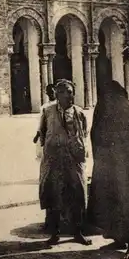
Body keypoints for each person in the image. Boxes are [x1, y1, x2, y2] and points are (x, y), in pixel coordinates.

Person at [87, 80, 129, 259]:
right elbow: (96, 136)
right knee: (112, 202)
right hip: (111, 168)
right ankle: (119, 239)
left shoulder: (126, 113)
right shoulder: (107, 111)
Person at [38, 79, 92, 246]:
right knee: (54, 196)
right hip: (54, 160)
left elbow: (84, 134)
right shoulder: (47, 111)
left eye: (71, 92)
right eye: (65, 92)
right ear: (57, 94)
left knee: (77, 195)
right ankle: (54, 234)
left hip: (73, 161)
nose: (70, 95)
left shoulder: (79, 112)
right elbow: (43, 133)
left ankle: (78, 233)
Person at [33, 84, 57, 161]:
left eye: (52, 92)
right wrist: (37, 135)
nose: (51, 94)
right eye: (49, 93)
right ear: (47, 93)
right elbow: (41, 123)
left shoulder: (60, 105)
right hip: (48, 133)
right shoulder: (44, 107)